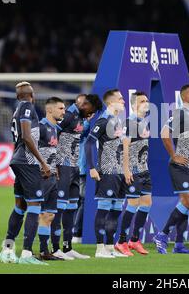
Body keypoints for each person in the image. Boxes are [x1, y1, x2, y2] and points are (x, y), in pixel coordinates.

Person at [0, 81, 51, 265]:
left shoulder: (17, 109)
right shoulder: (28, 107)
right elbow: (27, 136)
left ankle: (7, 249)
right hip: (27, 162)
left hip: (17, 160)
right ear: (32, 95)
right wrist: (43, 162)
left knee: (20, 206)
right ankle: (27, 254)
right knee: (35, 206)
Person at [51, 94, 102, 260]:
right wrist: (53, 164)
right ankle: (54, 248)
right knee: (59, 208)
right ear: (85, 104)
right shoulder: (67, 116)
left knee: (72, 207)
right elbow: (53, 137)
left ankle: (67, 247)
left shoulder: (81, 118)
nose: (91, 114)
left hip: (74, 166)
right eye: (91, 110)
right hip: (63, 166)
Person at [153, 84, 189, 254]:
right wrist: (174, 155)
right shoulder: (180, 113)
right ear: (183, 97)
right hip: (180, 166)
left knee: (186, 204)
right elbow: (164, 133)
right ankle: (163, 234)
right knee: (188, 200)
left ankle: (179, 244)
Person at [87, 89, 128, 258]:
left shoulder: (117, 121)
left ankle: (110, 247)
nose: (124, 101)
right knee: (104, 209)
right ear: (111, 102)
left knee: (116, 210)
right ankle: (99, 248)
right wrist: (91, 167)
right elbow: (89, 143)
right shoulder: (103, 120)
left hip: (118, 173)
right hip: (108, 171)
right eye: (120, 98)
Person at [116, 91, 152, 256]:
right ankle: (121, 241)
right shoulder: (129, 122)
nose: (146, 103)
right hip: (133, 171)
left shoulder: (144, 122)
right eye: (142, 101)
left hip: (144, 170)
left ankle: (134, 240)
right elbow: (125, 147)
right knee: (132, 205)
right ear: (133, 105)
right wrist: (126, 169)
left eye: (146, 100)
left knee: (146, 204)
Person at [37, 97, 66, 261]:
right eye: (60, 108)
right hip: (41, 177)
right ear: (50, 110)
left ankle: (44, 251)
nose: (63, 111)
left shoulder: (55, 128)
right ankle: (28, 249)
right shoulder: (40, 127)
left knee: (49, 215)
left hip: (53, 176)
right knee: (39, 214)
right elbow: (28, 149)